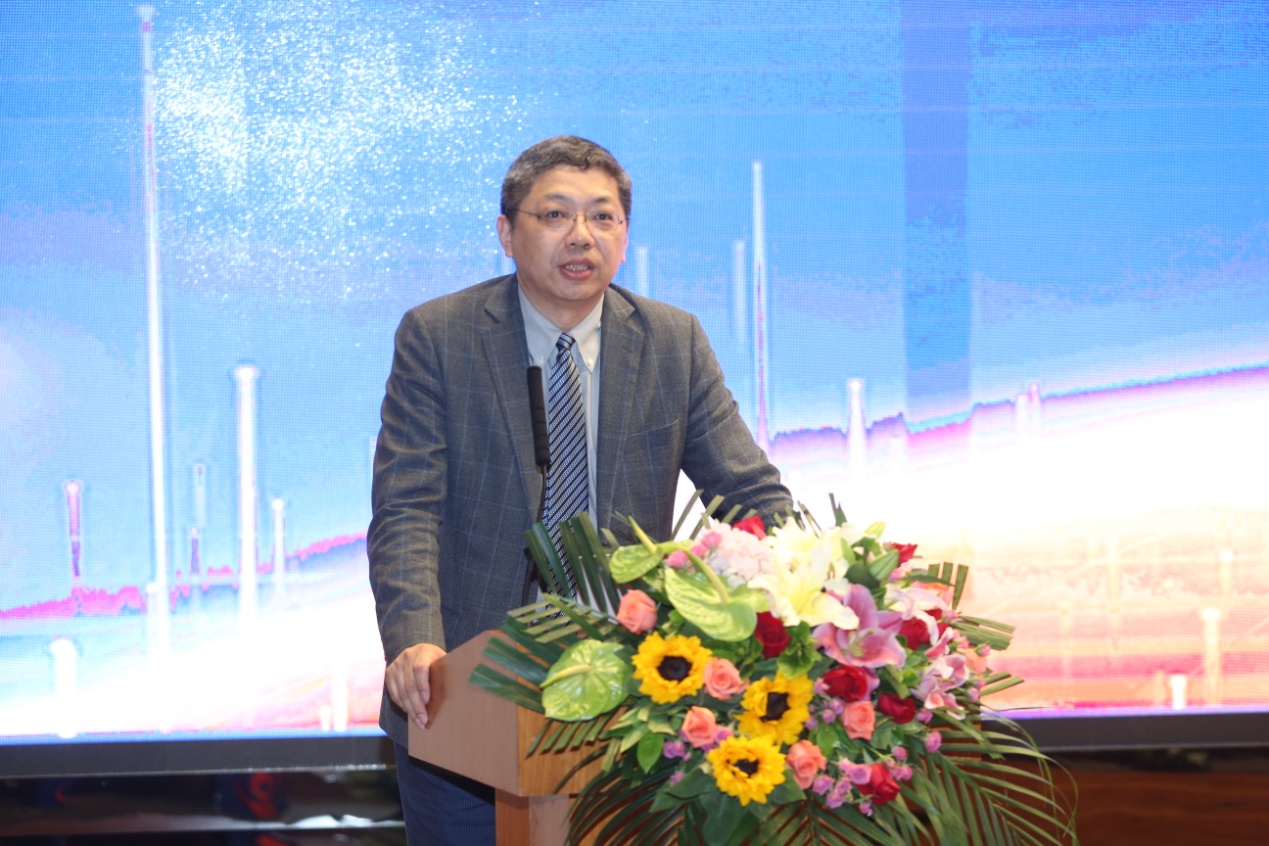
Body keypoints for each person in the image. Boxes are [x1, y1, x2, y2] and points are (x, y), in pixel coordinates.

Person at [368, 135, 792, 845]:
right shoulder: (440, 337)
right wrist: (416, 642)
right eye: (555, 214)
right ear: (507, 233)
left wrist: (815, 592)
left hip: (634, 705)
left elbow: (748, 493)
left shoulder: (671, 340)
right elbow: (408, 507)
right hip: (468, 697)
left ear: (624, 236)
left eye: (602, 217)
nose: (581, 235)